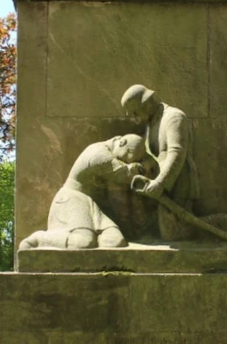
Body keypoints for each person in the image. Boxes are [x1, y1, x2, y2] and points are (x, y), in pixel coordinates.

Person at [18, 134, 146, 250]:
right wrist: (136, 169)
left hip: (90, 204)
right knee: (83, 242)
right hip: (71, 200)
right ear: (122, 142)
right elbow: (124, 175)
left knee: (115, 241)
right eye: (125, 157)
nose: (126, 162)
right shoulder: (99, 154)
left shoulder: (107, 149)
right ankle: (38, 239)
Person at [120, 84, 199, 240]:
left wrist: (161, 183)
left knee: (171, 235)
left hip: (178, 182)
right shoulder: (152, 123)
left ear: (146, 103)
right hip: (161, 182)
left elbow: (177, 152)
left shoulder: (174, 117)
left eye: (136, 113)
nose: (136, 119)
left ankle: (216, 223)